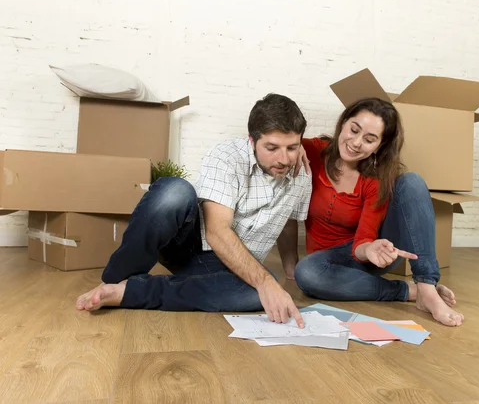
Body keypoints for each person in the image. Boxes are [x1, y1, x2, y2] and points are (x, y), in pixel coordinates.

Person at [76, 93, 312, 327]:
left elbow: (289, 222)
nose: (283, 159)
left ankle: (130, 292)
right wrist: (263, 283)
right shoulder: (227, 157)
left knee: (257, 293)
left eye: (292, 147)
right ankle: (114, 281)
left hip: (230, 265)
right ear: (251, 140)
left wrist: (290, 274)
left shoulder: (302, 173)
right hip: (188, 243)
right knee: (175, 191)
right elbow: (216, 230)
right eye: (272, 147)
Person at [291, 97, 464, 327]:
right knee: (308, 273)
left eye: (369, 139)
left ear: (379, 146)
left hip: (370, 254)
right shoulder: (314, 151)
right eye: (354, 130)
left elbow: (363, 240)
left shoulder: (375, 179)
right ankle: (408, 291)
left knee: (411, 182)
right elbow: (273, 140)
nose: (356, 142)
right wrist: (292, 145)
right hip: (323, 262)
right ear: (343, 123)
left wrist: (371, 248)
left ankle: (426, 286)